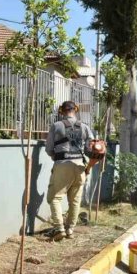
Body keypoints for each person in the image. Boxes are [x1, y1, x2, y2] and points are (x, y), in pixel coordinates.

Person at [44, 101, 95, 241]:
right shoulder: (84, 127)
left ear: (61, 111)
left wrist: (55, 156)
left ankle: (59, 228)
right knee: (75, 201)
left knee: (54, 198)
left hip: (62, 164)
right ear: (75, 110)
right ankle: (70, 229)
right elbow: (90, 148)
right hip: (80, 166)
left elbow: (48, 149)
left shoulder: (56, 126)